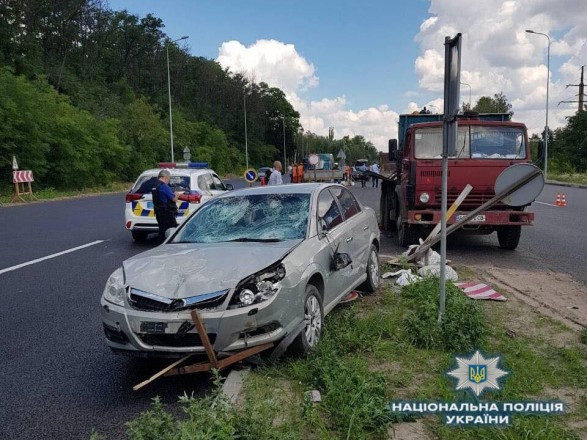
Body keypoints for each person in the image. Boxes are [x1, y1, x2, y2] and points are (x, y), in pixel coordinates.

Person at [152, 169, 178, 243]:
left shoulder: (155, 186)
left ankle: (159, 247)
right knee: (173, 232)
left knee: (162, 232)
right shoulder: (164, 186)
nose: (168, 181)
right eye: (169, 179)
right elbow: (174, 199)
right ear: (165, 177)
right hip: (167, 213)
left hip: (158, 212)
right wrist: (177, 194)